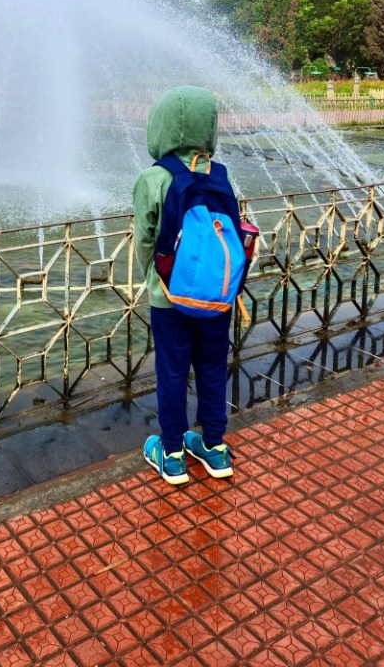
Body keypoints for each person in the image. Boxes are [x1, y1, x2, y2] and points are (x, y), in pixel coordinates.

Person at [133, 85, 237, 486]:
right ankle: (214, 447)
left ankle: (172, 453)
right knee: (212, 369)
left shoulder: (153, 178)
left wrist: (153, 276)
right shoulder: (219, 174)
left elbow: (145, 239)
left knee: (173, 372)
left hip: (169, 296)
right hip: (217, 296)